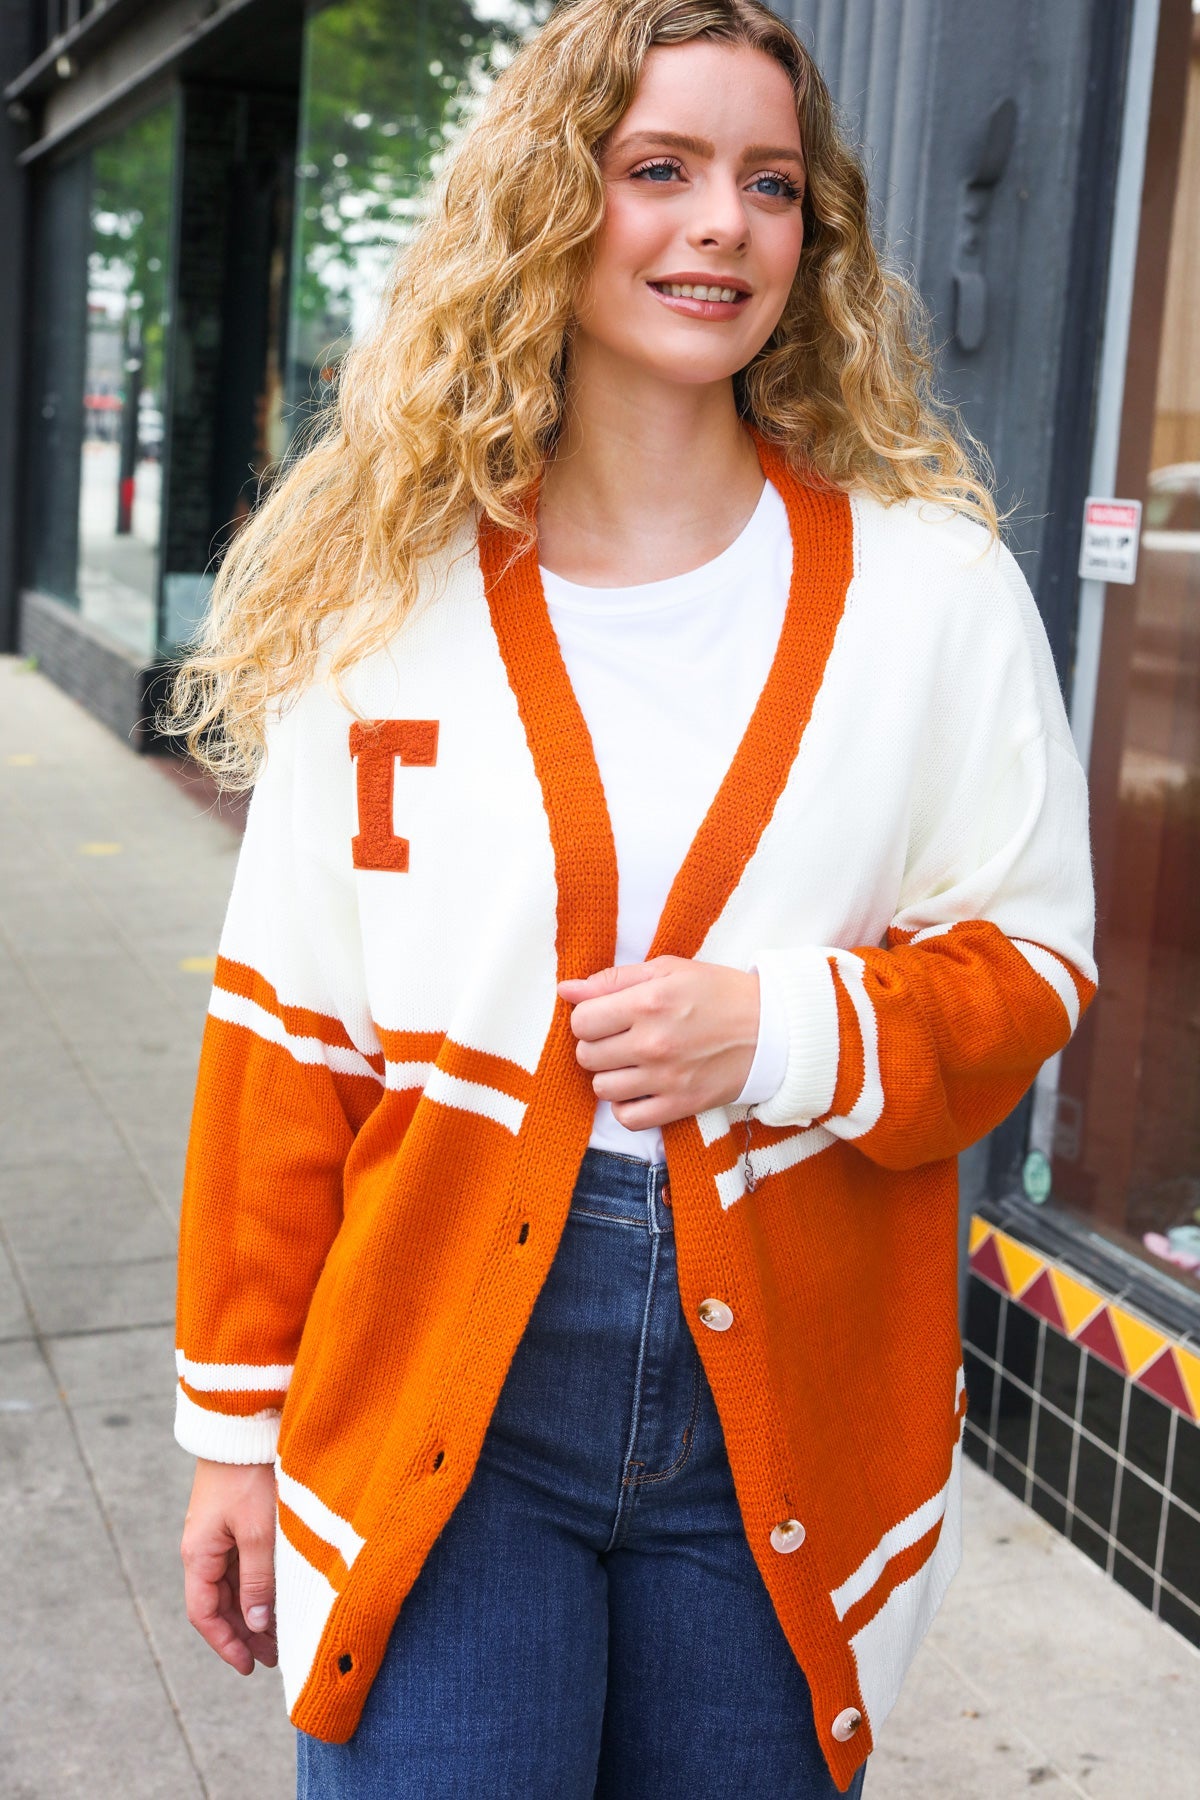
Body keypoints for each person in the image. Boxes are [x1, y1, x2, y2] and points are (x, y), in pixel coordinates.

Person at [168, 2, 1096, 1795]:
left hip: (787, 1403)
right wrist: (231, 1433)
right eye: (656, 170)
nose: (722, 225)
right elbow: (288, 1046)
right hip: (443, 1362)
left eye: (770, 182)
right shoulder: (392, 600)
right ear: (547, 205)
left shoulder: (935, 591)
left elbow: (1033, 965)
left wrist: (785, 1027)